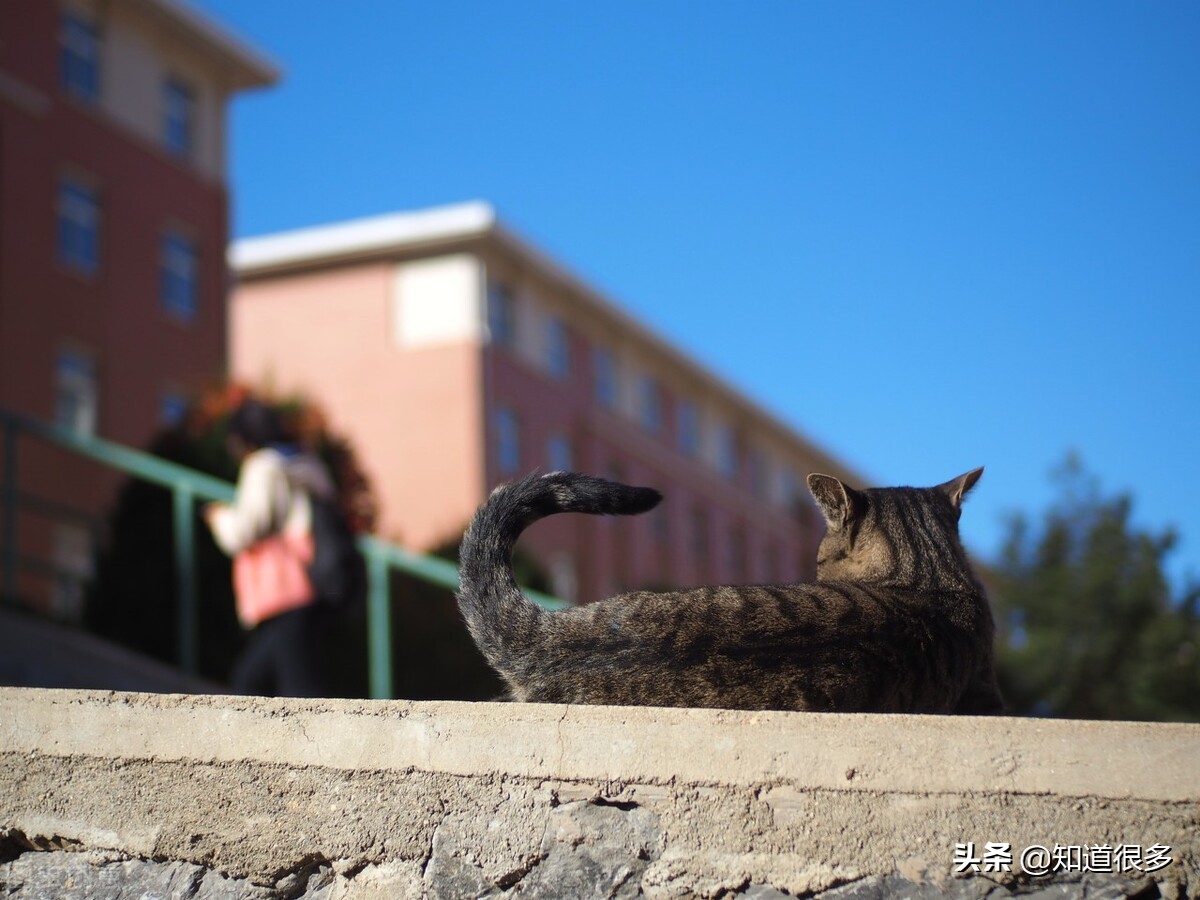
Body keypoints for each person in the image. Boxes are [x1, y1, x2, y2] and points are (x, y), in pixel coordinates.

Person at [203, 399, 336, 697]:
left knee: (289, 686)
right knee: (259, 677)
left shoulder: (263, 467)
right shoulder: (306, 463)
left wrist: (217, 517)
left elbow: (245, 530)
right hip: (315, 578)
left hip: (287, 588)